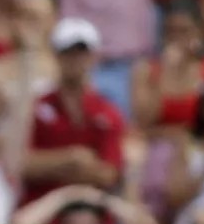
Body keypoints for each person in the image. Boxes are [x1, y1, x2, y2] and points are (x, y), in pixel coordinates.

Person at [22, 19, 131, 203]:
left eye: (82, 53)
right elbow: (23, 165)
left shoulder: (108, 111)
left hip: (91, 206)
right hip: (43, 206)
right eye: (68, 53)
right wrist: (72, 159)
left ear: (93, 57)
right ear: (56, 56)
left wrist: (52, 168)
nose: (75, 60)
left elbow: (110, 174)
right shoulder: (37, 106)